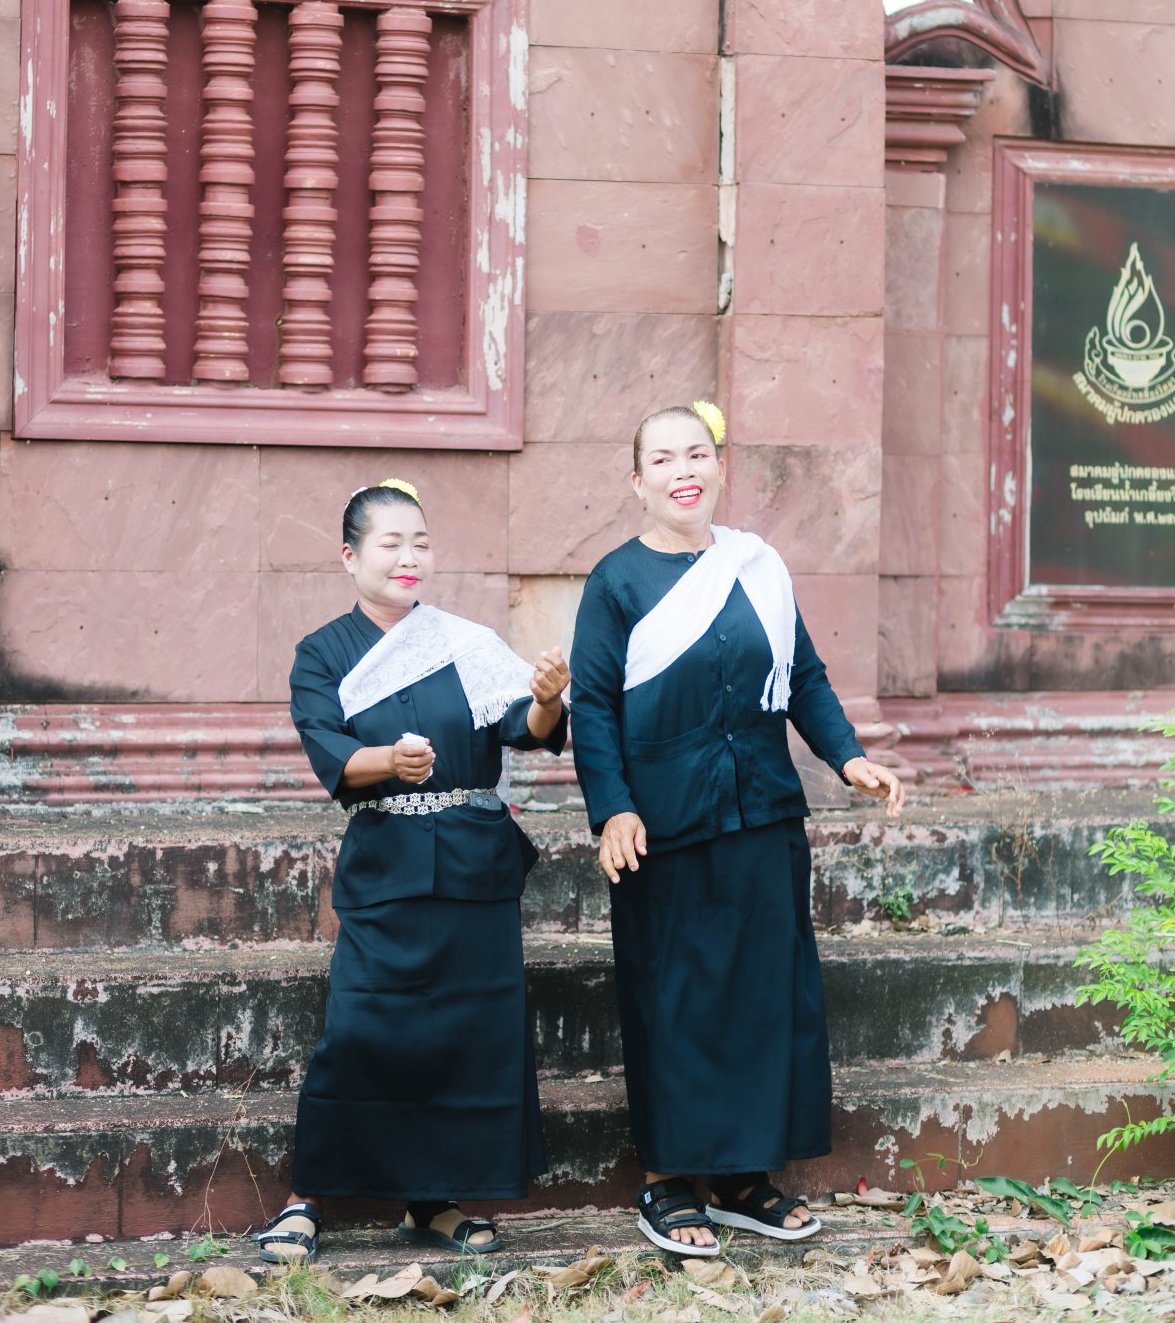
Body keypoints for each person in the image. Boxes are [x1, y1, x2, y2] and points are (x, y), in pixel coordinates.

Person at [569, 403, 906, 1258]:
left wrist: (848, 757)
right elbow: (593, 707)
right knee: (675, 1001)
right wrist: (613, 807)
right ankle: (667, 1181)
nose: (683, 470)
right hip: (665, 827)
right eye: (662, 459)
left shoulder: (759, 566)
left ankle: (744, 1179)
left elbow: (805, 678)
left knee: (763, 998)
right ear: (636, 481)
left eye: (697, 453)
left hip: (762, 812)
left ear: (718, 466)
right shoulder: (615, 583)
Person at [257, 478, 570, 1264]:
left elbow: (523, 728)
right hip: (387, 866)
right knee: (360, 1027)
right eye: (390, 543)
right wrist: (389, 761)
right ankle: (308, 1196)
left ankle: (432, 1203)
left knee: (467, 1034)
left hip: (474, 866)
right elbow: (330, 751)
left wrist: (545, 700)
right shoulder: (323, 653)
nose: (409, 557)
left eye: (420, 543)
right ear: (350, 556)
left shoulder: (465, 643)